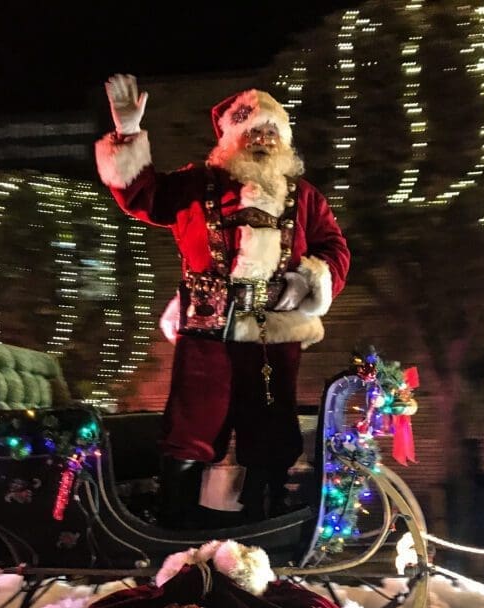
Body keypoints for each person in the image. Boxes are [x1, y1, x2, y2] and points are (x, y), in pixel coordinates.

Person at [95, 74, 350, 527]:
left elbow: (335, 249)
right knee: (193, 425)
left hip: (274, 327)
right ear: (232, 138)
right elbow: (143, 197)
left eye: (272, 133)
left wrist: (304, 282)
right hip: (206, 327)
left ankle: (263, 515)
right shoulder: (196, 185)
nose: (264, 141)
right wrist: (128, 134)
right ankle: (177, 517)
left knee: (271, 425)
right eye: (254, 132)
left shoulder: (306, 197)